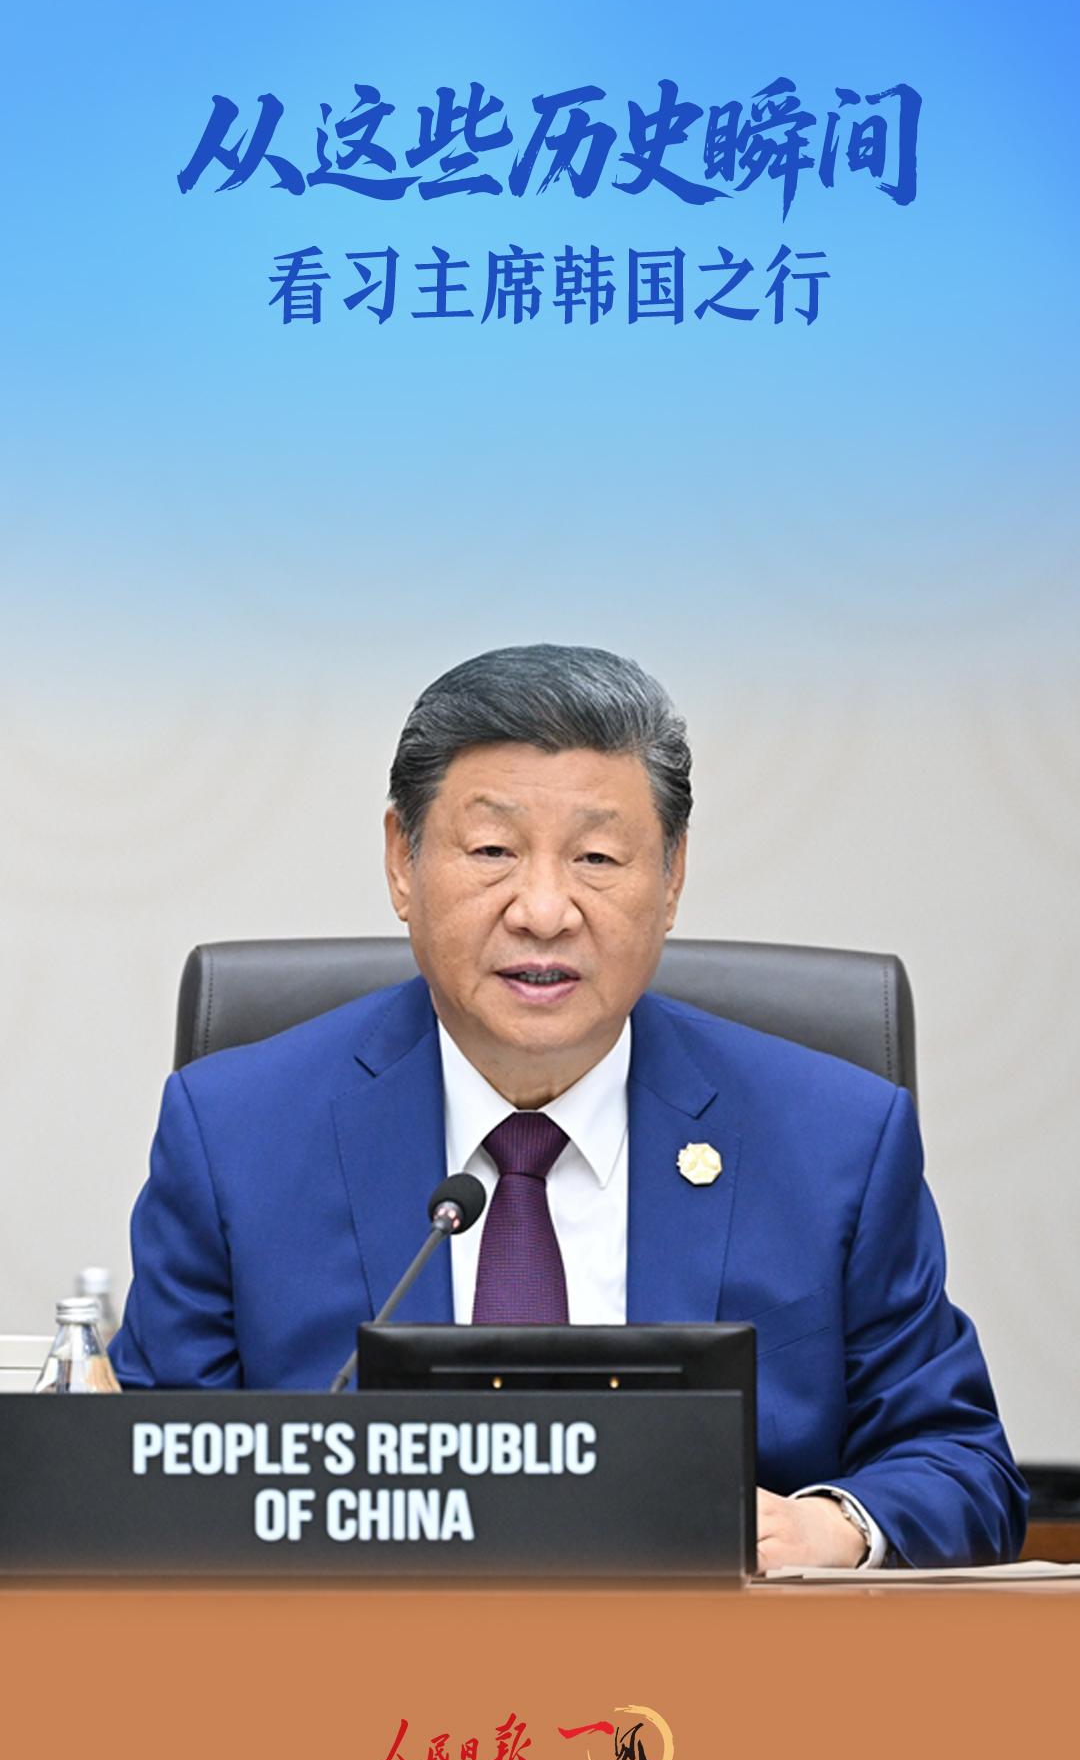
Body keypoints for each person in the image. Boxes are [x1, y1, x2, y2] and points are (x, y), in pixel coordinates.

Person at [110, 644, 1027, 1570]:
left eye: (596, 857)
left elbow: (962, 1464)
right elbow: (142, 1476)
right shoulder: (235, 1135)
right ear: (402, 861)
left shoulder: (835, 1142)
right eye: (493, 851)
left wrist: (830, 1527)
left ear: (671, 878)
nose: (544, 911)